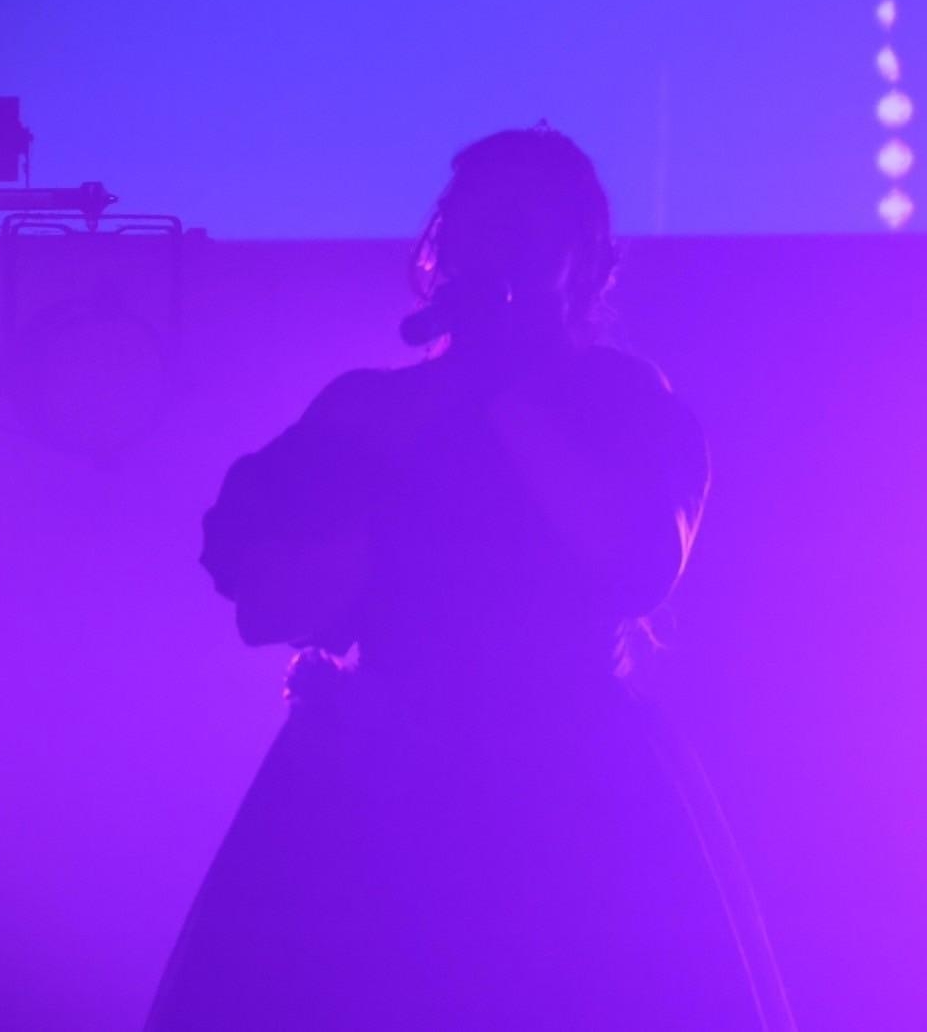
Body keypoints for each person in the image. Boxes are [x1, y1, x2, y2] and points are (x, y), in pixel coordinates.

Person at [145, 126, 795, 1030]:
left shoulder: (624, 400)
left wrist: (498, 388)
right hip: (380, 791)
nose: (503, 246)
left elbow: (638, 566)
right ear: (444, 246)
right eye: (484, 222)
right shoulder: (371, 407)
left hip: (570, 791)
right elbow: (258, 587)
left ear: (586, 260)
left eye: (531, 227)